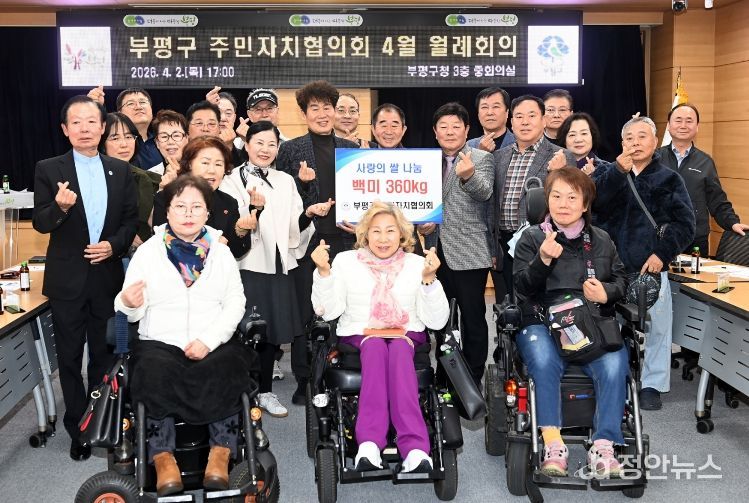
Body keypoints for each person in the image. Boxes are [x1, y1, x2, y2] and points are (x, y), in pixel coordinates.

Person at [114, 175, 252, 496]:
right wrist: (128, 302)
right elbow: (129, 308)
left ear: (207, 213)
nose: (188, 213)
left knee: (230, 363)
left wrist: (208, 340)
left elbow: (235, 303)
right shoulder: (148, 253)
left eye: (196, 207)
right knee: (150, 369)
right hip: (160, 340)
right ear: (168, 211)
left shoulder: (221, 253)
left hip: (210, 338)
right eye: (180, 206)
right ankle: (163, 458)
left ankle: (220, 453)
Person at [32, 95, 138, 461]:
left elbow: (130, 221)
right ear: (65, 129)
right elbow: (41, 222)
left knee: (104, 356)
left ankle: (101, 421)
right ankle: (77, 427)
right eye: (75, 122)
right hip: (67, 281)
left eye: (91, 121)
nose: (84, 128)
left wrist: (113, 246)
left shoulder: (120, 170)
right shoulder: (49, 168)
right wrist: (59, 207)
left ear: (103, 127)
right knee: (70, 357)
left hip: (106, 277)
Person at [310, 202, 449, 473]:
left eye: (390, 231)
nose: (383, 238)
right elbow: (330, 311)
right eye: (376, 231)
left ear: (402, 234)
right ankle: (369, 444)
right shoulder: (345, 262)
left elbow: (437, 321)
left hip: (405, 334)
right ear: (365, 234)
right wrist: (324, 274)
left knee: (398, 349)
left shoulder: (417, 264)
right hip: (360, 333)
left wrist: (429, 280)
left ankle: (416, 449)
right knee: (374, 347)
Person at [513, 167, 629, 478]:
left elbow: (621, 281)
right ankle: (553, 443)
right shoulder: (532, 238)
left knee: (616, 361)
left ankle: (603, 445)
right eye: (556, 196)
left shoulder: (601, 240)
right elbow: (521, 288)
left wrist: (606, 292)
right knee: (543, 359)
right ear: (547, 200)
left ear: (585, 204)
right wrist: (542, 260)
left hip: (591, 321)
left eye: (572, 197)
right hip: (541, 321)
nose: (563, 204)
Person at [221, 120, 333, 417]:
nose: (265, 149)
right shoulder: (231, 180)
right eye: (259, 142)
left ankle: (265, 391)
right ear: (247, 145)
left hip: (278, 264)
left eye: (272, 144)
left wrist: (309, 213)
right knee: (244, 330)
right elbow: (233, 224)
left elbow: (294, 227)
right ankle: (240, 392)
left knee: (270, 332)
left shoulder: (285, 180)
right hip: (246, 263)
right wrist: (253, 211)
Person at [592, 115, 695, 410]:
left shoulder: (669, 178)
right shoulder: (607, 173)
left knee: (658, 327)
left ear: (655, 142)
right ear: (621, 143)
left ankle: (652, 384)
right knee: (608, 325)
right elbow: (592, 207)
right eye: (629, 138)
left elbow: (685, 224)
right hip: (609, 268)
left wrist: (662, 254)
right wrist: (616, 172)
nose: (635, 143)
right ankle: (614, 378)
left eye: (642, 137)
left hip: (650, 266)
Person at [276, 80, 358, 405]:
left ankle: (340, 371)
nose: (322, 114)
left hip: (346, 241)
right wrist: (302, 183)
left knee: (343, 307)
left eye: (327, 107)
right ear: (303, 113)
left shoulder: (351, 148)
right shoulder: (290, 150)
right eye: (315, 108)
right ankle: (305, 379)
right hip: (307, 242)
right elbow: (283, 198)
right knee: (307, 311)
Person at [418, 102, 494, 385]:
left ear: (466, 130)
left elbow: (485, 193)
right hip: (434, 251)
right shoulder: (425, 161)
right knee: (441, 318)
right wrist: (422, 223)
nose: (449, 132)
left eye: (456, 126)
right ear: (435, 132)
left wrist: (469, 175)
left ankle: (473, 376)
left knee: (473, 318)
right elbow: (420, 201)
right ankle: (445, 373)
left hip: (469, 252)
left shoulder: (481, 158)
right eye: (443, 127)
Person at [492, 95, 576, 303]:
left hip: (540, 242)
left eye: (531, 116)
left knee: (536, 303)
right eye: (519, 116)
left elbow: (571, 200)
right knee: (507, 304)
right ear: (511, 122)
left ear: (544, 120)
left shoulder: (561, 156)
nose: (525, 122)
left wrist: (557, 173)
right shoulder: (498, 157)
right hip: (504, 244)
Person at [658, 103, 749, 255]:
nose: (683, 125)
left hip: (694, 241)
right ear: (668, 125)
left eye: (689, 121)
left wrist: (733, 223)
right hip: (659, 239)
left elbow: (717, 201)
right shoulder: (654, 159)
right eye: (678, 120)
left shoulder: (705, 162)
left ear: (697, 127)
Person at [152, 136, 253, 258]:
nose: (212, 170)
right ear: (190, 164)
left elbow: (237, 252)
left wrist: (241, 231)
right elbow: (162, 244)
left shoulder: (228, 202)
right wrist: (211, 245)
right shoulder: (167, 198)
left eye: (218, 164)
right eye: (205, 163)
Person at [98, 112, 161, 250]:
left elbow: (156, 225)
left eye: (128, 137)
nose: (124, 144)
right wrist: (123, 236)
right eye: (115, 138)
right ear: (101, 142)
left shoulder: (149, 179)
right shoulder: (91, 180)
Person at [466, 87, 516, 153]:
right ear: (478, 114)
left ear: (507, 112)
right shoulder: (470, 146)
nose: (490, 113)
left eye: (496, 106)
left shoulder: (519, 143)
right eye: (484, 107)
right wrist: (480, 153)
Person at [556, 112, 606, 176]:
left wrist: (593, 177)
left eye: (584, 133)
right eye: (572, 135)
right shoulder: (553, 166)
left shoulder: (606, 169)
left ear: (592, 137)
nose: (578, 140)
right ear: (564, 140)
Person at [149, 109, 189, 180]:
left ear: (187, 139)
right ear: (157, 143)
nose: (170, 142)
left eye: (176, 135)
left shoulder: (200, 170)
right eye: (164, 136)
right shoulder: (150, 176)